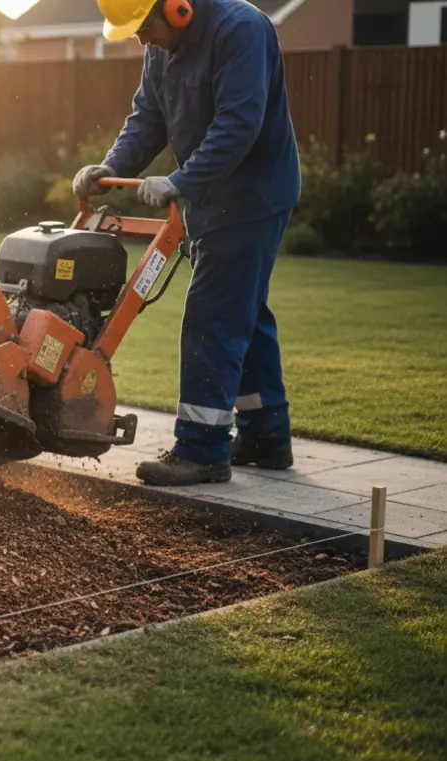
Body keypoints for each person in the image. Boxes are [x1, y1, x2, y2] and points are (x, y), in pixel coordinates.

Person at [73, 0, 302, 487]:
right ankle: (266, 436)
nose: (139, 39)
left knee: (213, 317)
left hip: (251, 196)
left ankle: (201, 450)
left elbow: (239, 124)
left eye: (143, 26)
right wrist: (113, 169)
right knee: (244, 312)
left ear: (177, 8)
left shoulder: (241, 30)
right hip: (209, 198)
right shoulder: (163, 46)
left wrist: (180, 180)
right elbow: (148, 117)